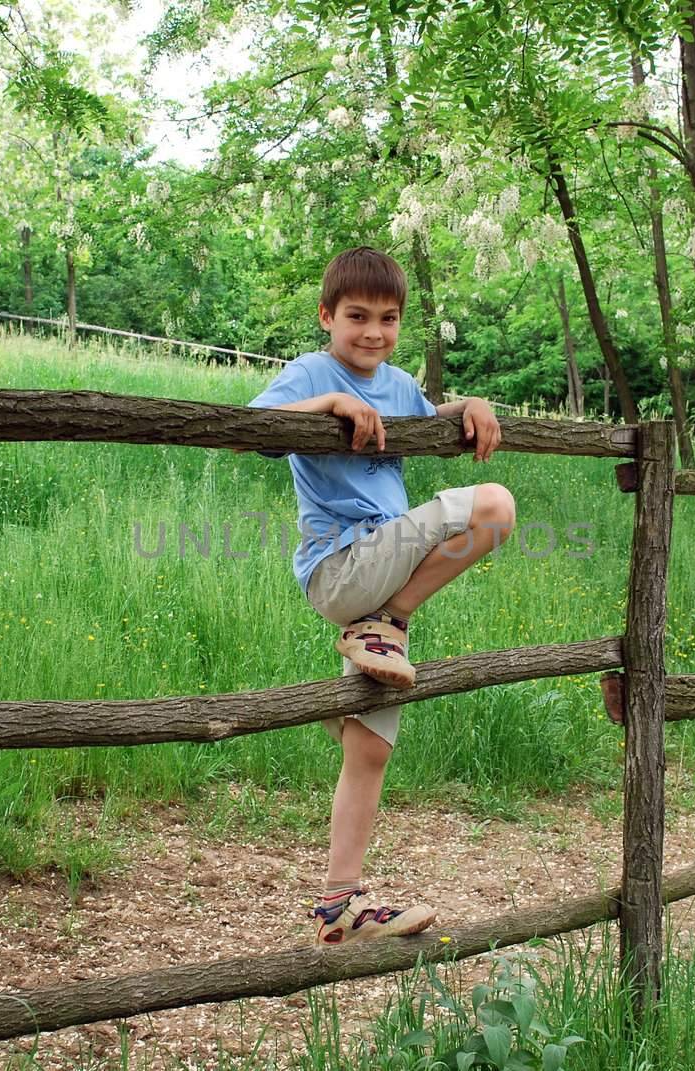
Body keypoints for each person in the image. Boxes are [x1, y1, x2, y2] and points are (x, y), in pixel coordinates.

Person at [248, 247, 515, 946]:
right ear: (326, 316)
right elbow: (252, 426)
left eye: (388, 319)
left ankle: (341, 904)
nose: (372, 332)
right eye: (357, 317)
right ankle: (388, 621)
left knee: (369, 746)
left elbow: (435, 419)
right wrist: (331, 403)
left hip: (384, 569)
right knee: (494, 506)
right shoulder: (311, 371)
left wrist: (472, 405)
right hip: (344, 565)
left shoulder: (397, 384)